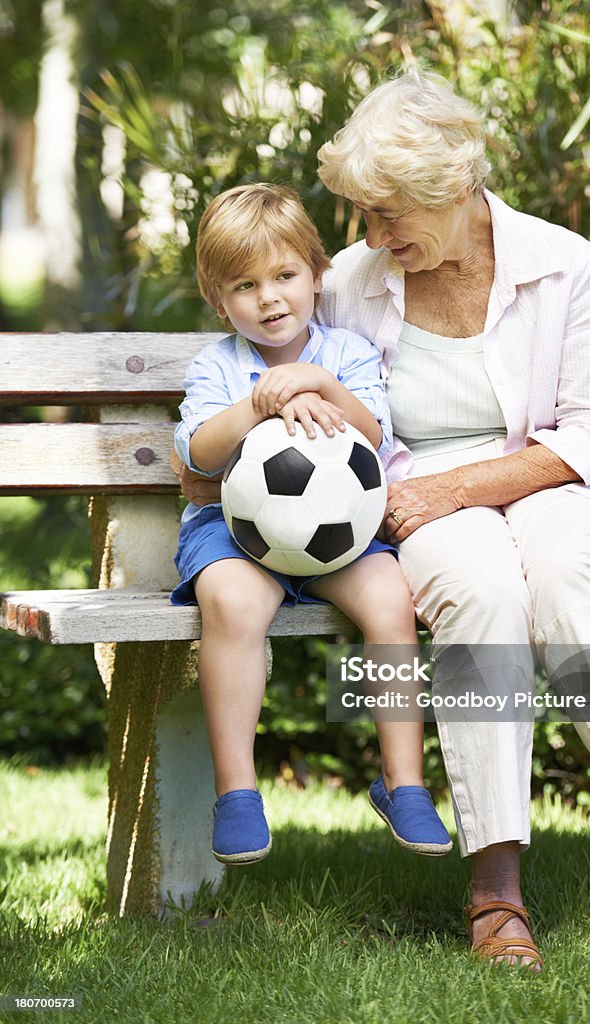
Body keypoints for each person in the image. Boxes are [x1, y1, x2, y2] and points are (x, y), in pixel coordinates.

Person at [174, 77, 590, 966]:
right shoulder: (354, 281)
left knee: (570, 573)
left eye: (388, 214)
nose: (372, 236)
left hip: (558, 480)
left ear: (453, 187)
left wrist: (468, 488)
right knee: (476, 592)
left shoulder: (563, 264)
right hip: (415, 490)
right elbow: (298, 404)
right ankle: (496, 883)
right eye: (361, 214)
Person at [171, 183, 452, 865]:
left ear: (317, 277)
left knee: (392, 599)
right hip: (236, 536)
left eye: (285, 276)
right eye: (245, 285)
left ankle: (404, 781)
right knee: (232, 602)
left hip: (342, 535)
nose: (269, 298)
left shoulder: (345, 355)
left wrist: (319, 387)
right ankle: (237, 790)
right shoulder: (218, 366)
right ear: (219, 300)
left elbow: (374, 436)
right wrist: (256, 407)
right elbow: (198, 453)